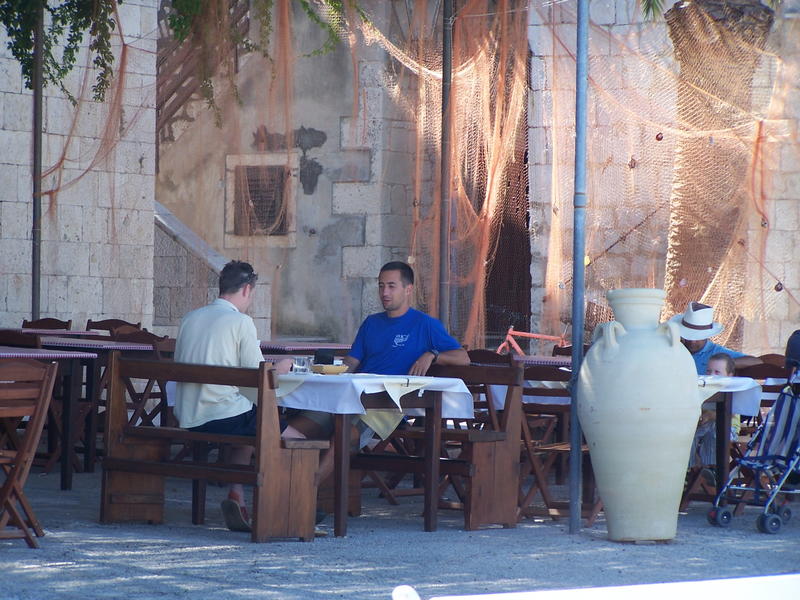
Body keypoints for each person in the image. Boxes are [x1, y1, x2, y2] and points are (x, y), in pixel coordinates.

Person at [173, 260, 299, 532]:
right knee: (296, 439)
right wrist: (282, 367)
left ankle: (237, 495)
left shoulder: (190, 318)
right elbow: (259, 376)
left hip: (188, 414)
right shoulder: (241, 322)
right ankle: (294, 509)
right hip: (220, 414)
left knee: (255, 419)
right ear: (246, 289)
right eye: (252, 294)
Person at [343, 261, 470, 375]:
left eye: (391, 286)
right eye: (381, 286)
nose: (384, 292)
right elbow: (352, 361)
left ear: (408, 290)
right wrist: (334, 374)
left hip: (399, 392)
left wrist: (433, 355)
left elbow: (463, 358)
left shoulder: (426, 324)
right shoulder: (371, 322)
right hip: (362, 388)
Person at [669, 301, 761, 374]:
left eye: (697, 337)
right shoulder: (674, 347)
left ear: (706, 336)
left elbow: (756, 362)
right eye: (689, 336)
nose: (693, 341)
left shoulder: (716, 352)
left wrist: (724, 363)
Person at [690, 353, 741, 468]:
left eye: (717, 372)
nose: (711, 376)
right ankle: (691, 469)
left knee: (714, 431)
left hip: (727, 429)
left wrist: (711, 415)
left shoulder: (731, 390)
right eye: (709, 371)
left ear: (729, 376)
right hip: (702, 427)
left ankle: (712, 468)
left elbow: (732, 413)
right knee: (688, 435)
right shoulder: (703, 389)